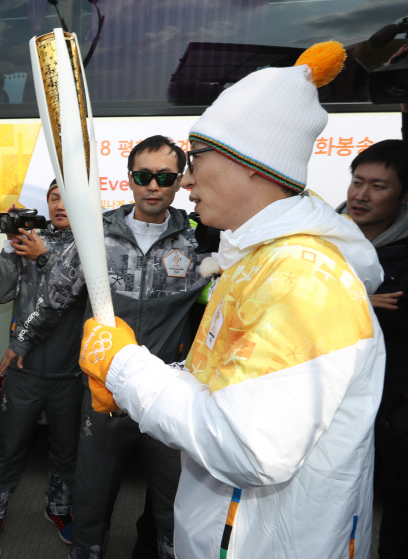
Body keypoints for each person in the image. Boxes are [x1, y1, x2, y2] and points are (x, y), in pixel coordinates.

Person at [77, 42, 386, 559]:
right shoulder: (256, 262)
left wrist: (125, 367)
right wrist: (130, 380)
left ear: (253, 166)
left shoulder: (299, 279)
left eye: (197, 160)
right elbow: (221, 386)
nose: (187, 180)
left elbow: (250, 447)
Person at [9, 136, 211, 559]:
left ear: (179, 181)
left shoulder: (200, 240)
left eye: (165, 176)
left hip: (168, 392)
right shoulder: (95, 233)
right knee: (92, 497)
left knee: (173, 505)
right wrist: (22, 340)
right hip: (106, 394)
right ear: (130, 179)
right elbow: (55, 297)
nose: (153, 185)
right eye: (143, 176)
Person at [0, 181, 86, 559]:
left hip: (70, 372)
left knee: (67, 451)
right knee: (7, 448)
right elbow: (1, 294)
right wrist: (11, 245)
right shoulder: (29, 240)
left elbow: (76, 295)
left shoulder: (93, 246)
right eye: (54, 197)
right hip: (23, 370)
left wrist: (43, 258)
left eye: (67, 197)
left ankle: (58, 508)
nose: (60, 204)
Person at [337, 139, 408, 559]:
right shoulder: (321, 236)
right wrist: (361, 302)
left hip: (391, 406)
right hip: (331, 402)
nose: (361, 195)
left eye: (378, 186)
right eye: (357, 181)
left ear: (403, 196)